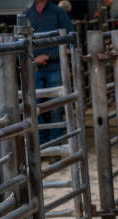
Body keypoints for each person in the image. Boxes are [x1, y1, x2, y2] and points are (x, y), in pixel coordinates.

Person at [25, 0, 73, 145]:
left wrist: (49, 55)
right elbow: (21, 41)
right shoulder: (27, 15)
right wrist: (34, 58)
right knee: (33, 108)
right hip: (35, 68)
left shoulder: (58, 13)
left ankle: (55, 144)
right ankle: (43, 145)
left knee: (56, 109)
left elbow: (70, 38)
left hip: (55, 67)